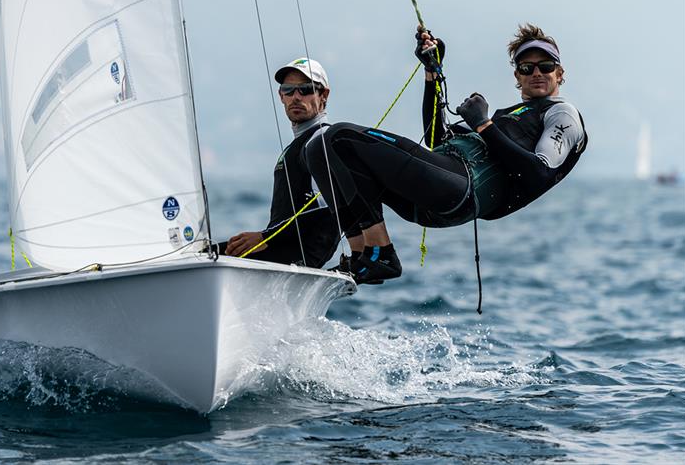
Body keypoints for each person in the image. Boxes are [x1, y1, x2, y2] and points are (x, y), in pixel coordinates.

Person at [304, 23, 588, 284]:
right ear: (517, 75)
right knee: (318, 147)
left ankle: (382, 254)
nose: (536, 73)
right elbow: (435, 138)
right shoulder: (508, 116)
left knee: (340, 136)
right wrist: (432, 73)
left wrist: (484, 124)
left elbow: (539, 173)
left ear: (559, 73)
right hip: (435, 188)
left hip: (461, 189)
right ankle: (361, 256)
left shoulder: (561, 113)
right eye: (527, 68)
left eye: (546, 66)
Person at [220, 58, 340, 268]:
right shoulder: (298, 145)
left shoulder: (321, 140)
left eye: (305, 89)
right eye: (288, 90)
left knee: (202, 256)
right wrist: (267, 238)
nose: (296, 97)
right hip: (282, 251)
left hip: (299, 256)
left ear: (324, 95)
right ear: (281, 96)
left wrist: (265, 237)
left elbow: (327, 211)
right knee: (202, 253)